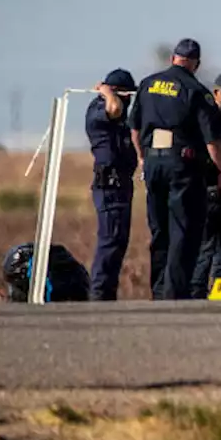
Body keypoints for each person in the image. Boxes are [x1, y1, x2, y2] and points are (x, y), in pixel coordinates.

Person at [128, 38, 221, 300]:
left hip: (153, 162)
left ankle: (159, 290)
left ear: (173, 58)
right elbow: (212, 141)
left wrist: (142, 158)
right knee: (183, 230)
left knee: (159, 229)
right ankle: (174, 294)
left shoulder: (148, 84)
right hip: (182, 166)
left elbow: (135, 128)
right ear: (196, 63)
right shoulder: (196, 90)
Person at [85, 68, 138, 301]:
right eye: (126, 95)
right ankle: (98, 294)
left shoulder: (122, 117)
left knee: (119, 241)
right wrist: (107, 93)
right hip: (109, 185)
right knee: (109, 240)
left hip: (122, 185)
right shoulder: (99, 110)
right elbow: (113, 108)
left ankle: (108, 294)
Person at [190, 72, 221, 298]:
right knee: (206, 242)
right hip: (208, 185)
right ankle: (196, 287)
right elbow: (209, 151)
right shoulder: (204, 119)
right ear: (216, 93)